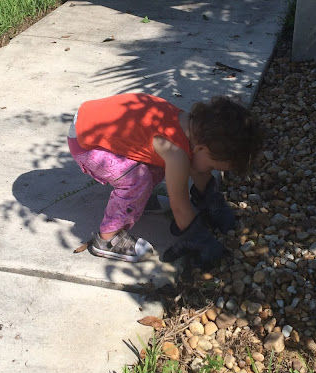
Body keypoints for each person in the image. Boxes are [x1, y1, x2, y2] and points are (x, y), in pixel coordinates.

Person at [67, 93, 263, 268]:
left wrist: (213, 202)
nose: (209, 172)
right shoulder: (176, 152)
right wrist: (200, 238)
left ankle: (137, 202)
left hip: (89, 119)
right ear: (202, 149)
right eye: (212, 167)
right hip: (86, 143)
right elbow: (180, 206)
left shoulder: (194, 128)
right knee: (139, 180)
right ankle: (107, 239)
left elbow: (197, 167)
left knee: (161, 167)